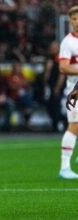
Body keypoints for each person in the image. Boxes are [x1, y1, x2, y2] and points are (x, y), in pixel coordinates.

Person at [58, 6, 78, 179]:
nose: (77, 22)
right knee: (74, 127)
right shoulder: (68, 42)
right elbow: (63, 67)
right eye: (74, 19)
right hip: (75, 92)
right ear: (70, 21)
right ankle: (64, 168)